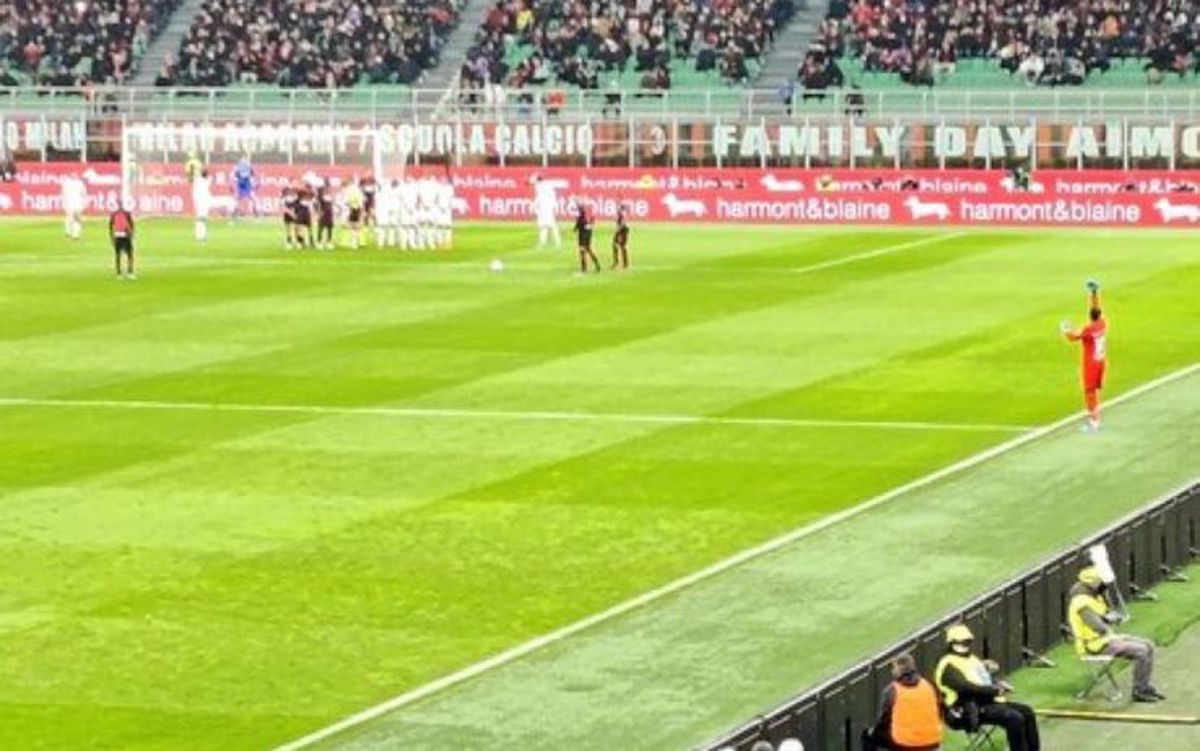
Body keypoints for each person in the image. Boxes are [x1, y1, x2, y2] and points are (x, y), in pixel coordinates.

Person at [935, 625, 1040, 751]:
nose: (966, 644)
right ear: (952, 642)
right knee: (1014, 718)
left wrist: (997, 684)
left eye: (968, 641)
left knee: (1027, 712)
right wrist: (994, 690)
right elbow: (965, 687)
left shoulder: (972, 659)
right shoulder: (947, 664)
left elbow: (982, 680)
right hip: (966, 709)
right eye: (963, 641)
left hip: (986, 702)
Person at [1068, 567, 1164, 703]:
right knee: (1141, 651)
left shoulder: (1095, 596)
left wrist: (1113, 617)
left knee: (1149, 645)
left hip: (1106, 639)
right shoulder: (1081, 603)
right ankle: (1139, 691)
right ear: (1093, 583)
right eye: (1102, 583)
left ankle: (1144, 686)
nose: (1105, 586)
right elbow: (1098, 626)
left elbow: (1104, 615)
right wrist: (1109, 620)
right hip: (1093, 646)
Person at [864, 652, 942, 751]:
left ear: (897, 670)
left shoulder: (892, 690)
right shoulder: (928, 686)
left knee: (870, 736)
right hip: (933, 742)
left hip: (906, 744)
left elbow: (883, 721)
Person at [1060, 280, 1106, 432]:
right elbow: (1096, 309)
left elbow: (1073, 337)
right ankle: (1096, 418)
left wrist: (1065, 329)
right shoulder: (1102, 323)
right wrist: (1094, 293)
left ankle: (1094, 421)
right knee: (1093, 391)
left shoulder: (1089, 329)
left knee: (1089, 391)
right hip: (1100, 361)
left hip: (1091, 364)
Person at [533, 175, 562, 249]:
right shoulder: (542, 186)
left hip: (546, 208)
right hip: (544, 208)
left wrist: (535, 206)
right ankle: (543, 243)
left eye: (536, 181)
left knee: (552, 226)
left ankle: (557, 242)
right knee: (544, 226)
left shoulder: (541, 187)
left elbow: (540, 198)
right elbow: (539, 198)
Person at [108, 202, 136, 279]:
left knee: (129, 254)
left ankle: (129, 271)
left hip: (125, 236)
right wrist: (112, 237)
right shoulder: (115, 214)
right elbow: (111, 226)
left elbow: (131, 224)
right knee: (119, 255)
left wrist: (132, 234)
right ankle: (119, 272)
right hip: (119, 236)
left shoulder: (126, 214)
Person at [573, 200, 600, 273]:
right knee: (588, 249)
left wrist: (575, 228)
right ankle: (597, 264)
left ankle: (584, 268)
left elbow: (577, 227)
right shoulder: (586, 216)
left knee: (582, 250)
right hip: (589, 232)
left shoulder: (580, 217)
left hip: (583, 234)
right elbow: (592, 221)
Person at [61, 173, 87, 240]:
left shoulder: (67, 183)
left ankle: (69, 233)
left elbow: (63, 193)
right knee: (76, 220)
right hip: (76, 204)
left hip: (72, 204)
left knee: (71, 219)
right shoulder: (79, 183)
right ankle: (74, 235)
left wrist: (64, 203)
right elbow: (84, 194)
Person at [343, 177, 365, 249]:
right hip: (357, 208)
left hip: (352, 209)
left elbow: (347, 201)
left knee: (352, 227)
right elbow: (361, 200)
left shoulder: (350, 190)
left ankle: (353, 244)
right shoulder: (357, 189)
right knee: (357, 227)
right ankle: (360, 242)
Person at [192, 168, 212, 242]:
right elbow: (207, 177)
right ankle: (203, 236)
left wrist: (198, 173)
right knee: (203, 218)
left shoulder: (198, 180)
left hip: (199, 200)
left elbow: (196, 177)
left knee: (199, 218)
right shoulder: (208, 180)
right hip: (204, 201)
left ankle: (199, 235)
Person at [315, 181, 335, 250]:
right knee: (321, 228)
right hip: (323, 214)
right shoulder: (321, 198)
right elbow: (317, 201)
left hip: (330, 214)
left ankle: (329, 242)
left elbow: (332, 205)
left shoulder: (330, 197)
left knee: (329, 229)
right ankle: (319, 242)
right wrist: (318, 213)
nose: (327, 190)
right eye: (326, 189)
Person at [611, 201, 631, 270]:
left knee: (622, 246)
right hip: (621, 230)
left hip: (622, 231)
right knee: (615, 245)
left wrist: (617, 230)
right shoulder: (621, 213)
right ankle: (618, 262)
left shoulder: (621, 214)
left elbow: (623, 223)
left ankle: (624, 263)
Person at [294, 182, 314, 249]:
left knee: (309, 228)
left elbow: (312, 202)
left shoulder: (312, 194)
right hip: (301, 210)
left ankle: (311, 242)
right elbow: (296, 190)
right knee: (299, 227)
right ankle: (300, 242)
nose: (308, 189)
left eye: (309, 188)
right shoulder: (301, 193)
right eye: (307, 188)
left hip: (307, 211)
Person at [281, 185, 300, 249]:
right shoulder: (284, 198)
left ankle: (297, 242)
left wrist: (294, 213)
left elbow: (297, 206)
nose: (289, 192)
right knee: (288, 229)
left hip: (295, 214)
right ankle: (289, 242)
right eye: (288, 191)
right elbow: (284, 207)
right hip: (288, 215)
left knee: (296, 228)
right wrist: (290, 213)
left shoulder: (295, 197)